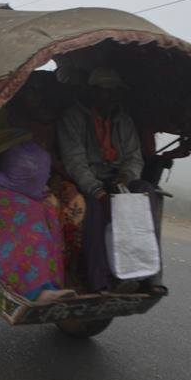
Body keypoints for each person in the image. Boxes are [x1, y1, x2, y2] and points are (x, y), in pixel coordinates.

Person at [57, 67, 164, 294]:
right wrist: (98, 192)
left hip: (117, 180)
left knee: (147, 192)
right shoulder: (73, 118)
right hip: (87, 181)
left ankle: (151, 276)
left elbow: (134, 157)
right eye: (106, 91)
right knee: (93, 211)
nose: (111, 96)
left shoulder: (123, 119)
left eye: (115, 91)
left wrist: (125, 178)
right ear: (93, 91)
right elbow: (75, 162)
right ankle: (100, 282)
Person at [0, 141, 74, 303]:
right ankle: (36, 291)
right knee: (33, 229)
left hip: (19, 198)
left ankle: (48, 287)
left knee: (46, 219)